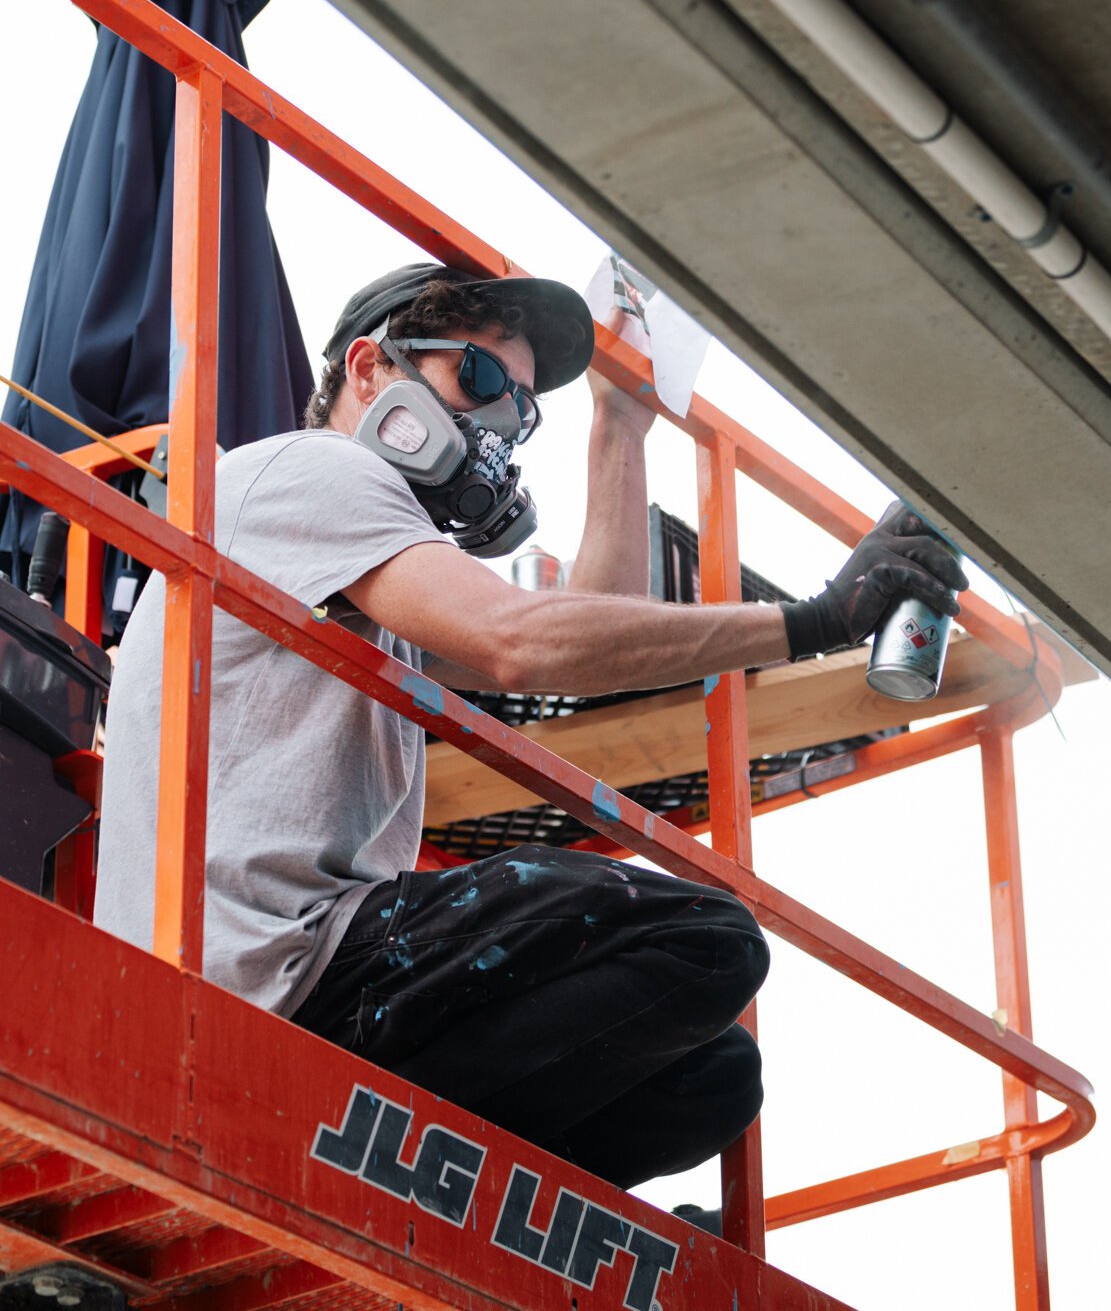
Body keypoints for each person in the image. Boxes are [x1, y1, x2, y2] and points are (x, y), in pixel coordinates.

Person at [95, 262, 967, 1195]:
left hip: (304, 972)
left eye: (516, 408)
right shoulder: (312, 470)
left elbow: (590, 628)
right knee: (704, 941)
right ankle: (319, 1143)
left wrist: (620, 426)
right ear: (369, 369)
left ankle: (387, 1177)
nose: (491, 422)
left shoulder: (371, 570)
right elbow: (518, 642)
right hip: (265, 960)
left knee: (711, 1082)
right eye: (476, 379)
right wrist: (816, 623)